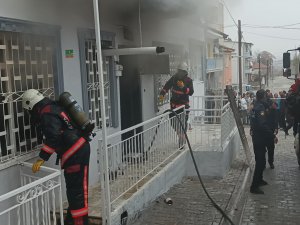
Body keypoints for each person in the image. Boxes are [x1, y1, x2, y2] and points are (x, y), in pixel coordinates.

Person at [22, 89, 91, 225]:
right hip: (78, 149)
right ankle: (72, 219)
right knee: (76, 190)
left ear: (31, 106)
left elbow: (54, 137)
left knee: (76, 192)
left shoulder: (46, 113)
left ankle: (80, 222)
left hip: (74, 153)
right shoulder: (53, 107)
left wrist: (42, 158)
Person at [250, 89, 278, 194]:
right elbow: (262, 124)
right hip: (259, 138)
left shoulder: (256, 105)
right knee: (260, 162)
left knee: (261, 161)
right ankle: (254, 186)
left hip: (258, 137)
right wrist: (272, 136)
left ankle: (260, 180)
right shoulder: (259, 107)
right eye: (266, 97)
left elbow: (254, 122)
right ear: (263, 97)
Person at [159, 62, 194, 145]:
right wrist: (162, 95)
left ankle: (182, 139)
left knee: (183, 123)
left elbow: (191, 92)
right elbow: (166, 86)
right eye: (179, 71)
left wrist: (184, 88)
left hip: (184, 106)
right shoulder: (174, 78)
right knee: (173, 123)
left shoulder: (188, 80)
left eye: (182, 71)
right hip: (174, 106)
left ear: (185, 72)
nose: (180, 73)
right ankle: (180, 136)